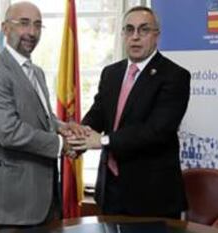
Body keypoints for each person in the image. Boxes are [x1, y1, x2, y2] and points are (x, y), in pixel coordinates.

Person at [69, 6, 190, 219]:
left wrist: (103, 141)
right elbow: (98, 113)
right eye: (129, 29)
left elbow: (156, 132)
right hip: (110, 191)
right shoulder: (111, 73)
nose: (135, 37)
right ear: (123, 34)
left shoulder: (174, 76)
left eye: (143, 30)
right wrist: (79, 137)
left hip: (152, 197)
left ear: (156, 36)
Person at [0, 2, 82, 232]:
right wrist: (62, 144)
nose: (31, 32)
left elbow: (43, 118)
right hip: (11, 206)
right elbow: (9, 132)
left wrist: (65, 128)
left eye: (37, 25)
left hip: (45, 202)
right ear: (5, 28)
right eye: (23, 24)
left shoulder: (37, 72)